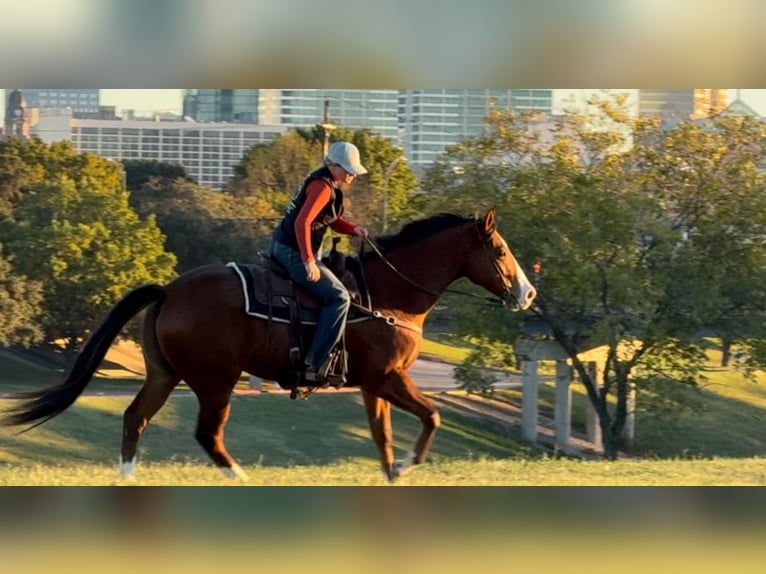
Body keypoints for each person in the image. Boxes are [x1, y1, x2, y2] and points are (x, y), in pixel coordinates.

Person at [270, 141, 369, 384]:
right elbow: (301, 223)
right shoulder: (322, 187)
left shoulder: (327, 183)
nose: (352, 174)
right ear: (333, 165)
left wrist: (353, 228)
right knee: (340, 298)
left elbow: (330, 219)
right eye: (348, 169)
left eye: (354, 170)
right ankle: (314, 363)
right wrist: (308, 261)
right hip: (291, 251)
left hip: (290, 247)